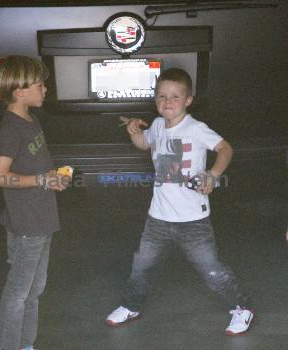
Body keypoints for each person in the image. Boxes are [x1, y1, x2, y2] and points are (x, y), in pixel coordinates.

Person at [106, 68, 253, 335]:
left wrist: (213, 175)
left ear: (188, 100)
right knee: (141, 264)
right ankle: (131, 305)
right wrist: (133, 131)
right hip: (158, 218)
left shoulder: (196, 129)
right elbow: (143, 143)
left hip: (193, 221)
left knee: (210, 268)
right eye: (161, 96)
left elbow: (225, 149)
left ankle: (241, 307)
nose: (167, 102)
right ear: (155, 100)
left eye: (175, 96)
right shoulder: (158, 126)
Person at [0, 55, 69, 350]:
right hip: (27, 224)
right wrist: (41, 180)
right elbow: (0, 177)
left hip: (41, 218)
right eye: (40, 84)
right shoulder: (10, 128)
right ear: (20, 92)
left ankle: (26, 343)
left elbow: (35, 168)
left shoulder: (30, 121)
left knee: (34, 290)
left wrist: (53, 178)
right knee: (19, 292)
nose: (45, 88)